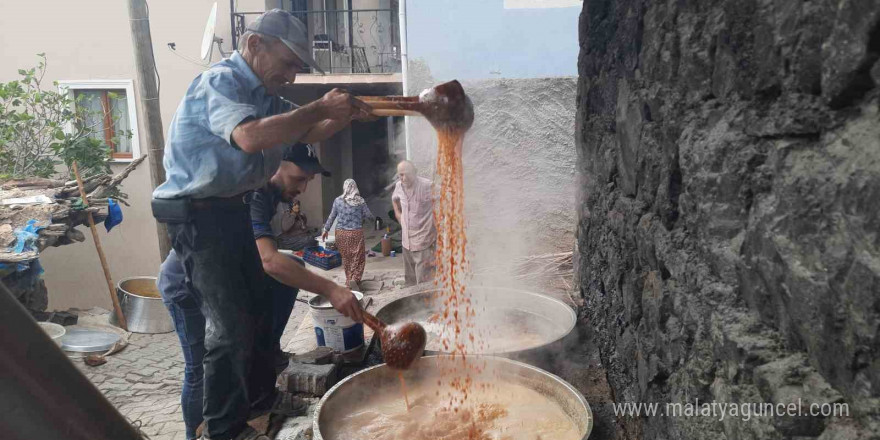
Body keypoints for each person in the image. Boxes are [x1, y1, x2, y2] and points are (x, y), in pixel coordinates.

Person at [150, 9, 372, 440]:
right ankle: (222, 432)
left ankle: (254, 405)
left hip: (228, 208)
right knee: (228, 329)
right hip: (197, 213)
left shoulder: (265, 93)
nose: (291, 75)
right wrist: (320, 105)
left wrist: (344, 115)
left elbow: (308, 132)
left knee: (254, 313)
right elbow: (250, 136)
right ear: (255, 45)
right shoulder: (222, 83)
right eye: (289, 63)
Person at [158, 144, 360, 440]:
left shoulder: (266, 195)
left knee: (287, 271)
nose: (303, 188)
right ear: (275, 165)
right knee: (204, 367)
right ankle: (197, 434)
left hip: (231, 280)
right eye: (299, 178)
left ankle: (262, 399)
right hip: (186, 288)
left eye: (308, 180)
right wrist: (330, 288)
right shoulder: (252, 195)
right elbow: (268, 260)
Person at [323, 179, 374, 291]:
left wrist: (325, 229)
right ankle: (355, 279)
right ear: (355, 187)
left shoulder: (338, 201)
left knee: (347, 259)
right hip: (356, 233)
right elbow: (369, 216)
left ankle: (348, 281)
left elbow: (332, 216)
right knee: (358, 258)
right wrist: (369, 219)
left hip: (341, 234)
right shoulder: (360, 201)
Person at [392, 160, 437, 286]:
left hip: (424, 239)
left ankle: (426, 304)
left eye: (407, 174)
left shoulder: (427, 186)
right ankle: (412, 303)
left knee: (424, 281)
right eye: (401, 175)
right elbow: (395, 199)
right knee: (410, 279)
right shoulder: (398, 186)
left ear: (415, 172)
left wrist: (438, 221)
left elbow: (446, 198)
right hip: (406, 241)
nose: (404, 178)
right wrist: (397, 213)